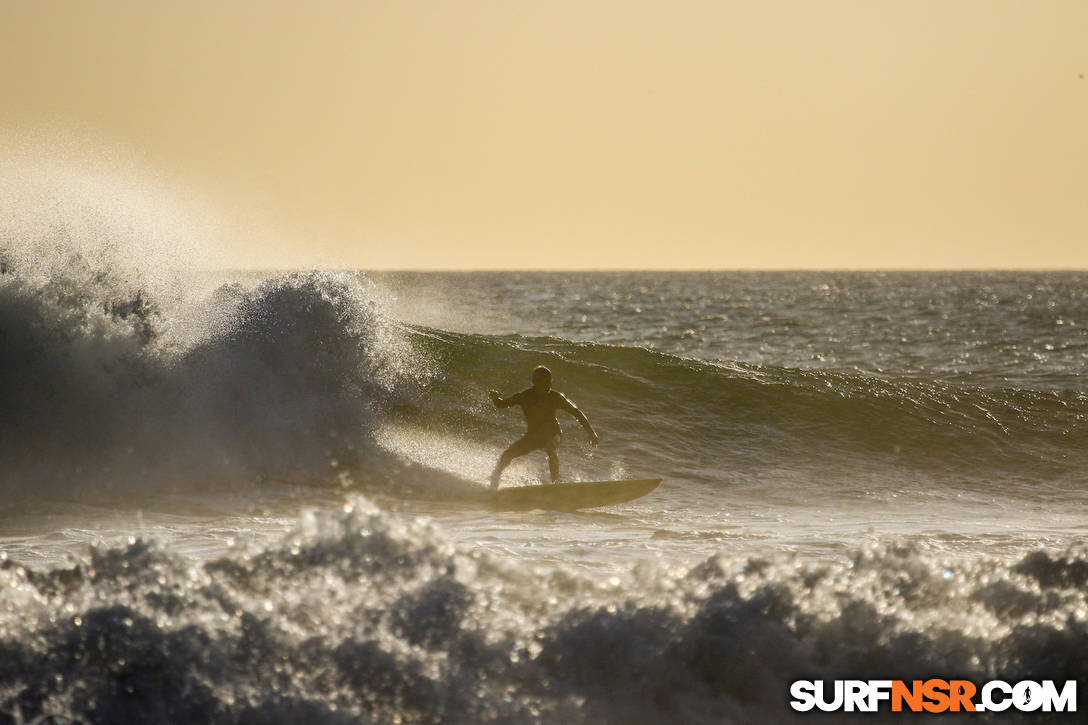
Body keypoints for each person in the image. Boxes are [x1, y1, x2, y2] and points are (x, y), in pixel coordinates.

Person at [488, 365, 599, 488]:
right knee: (507, 455)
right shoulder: (524, 396)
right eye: (544, 382)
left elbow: (576, 412)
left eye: (549, 382)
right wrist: (495, 398)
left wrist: (591, 432)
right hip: (533, 437)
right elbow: (502, 404)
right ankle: (494, 483)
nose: (548, 385)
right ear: (535, 382)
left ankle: (555, 484)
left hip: (554, 434)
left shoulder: (555, 397)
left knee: (550, 446)